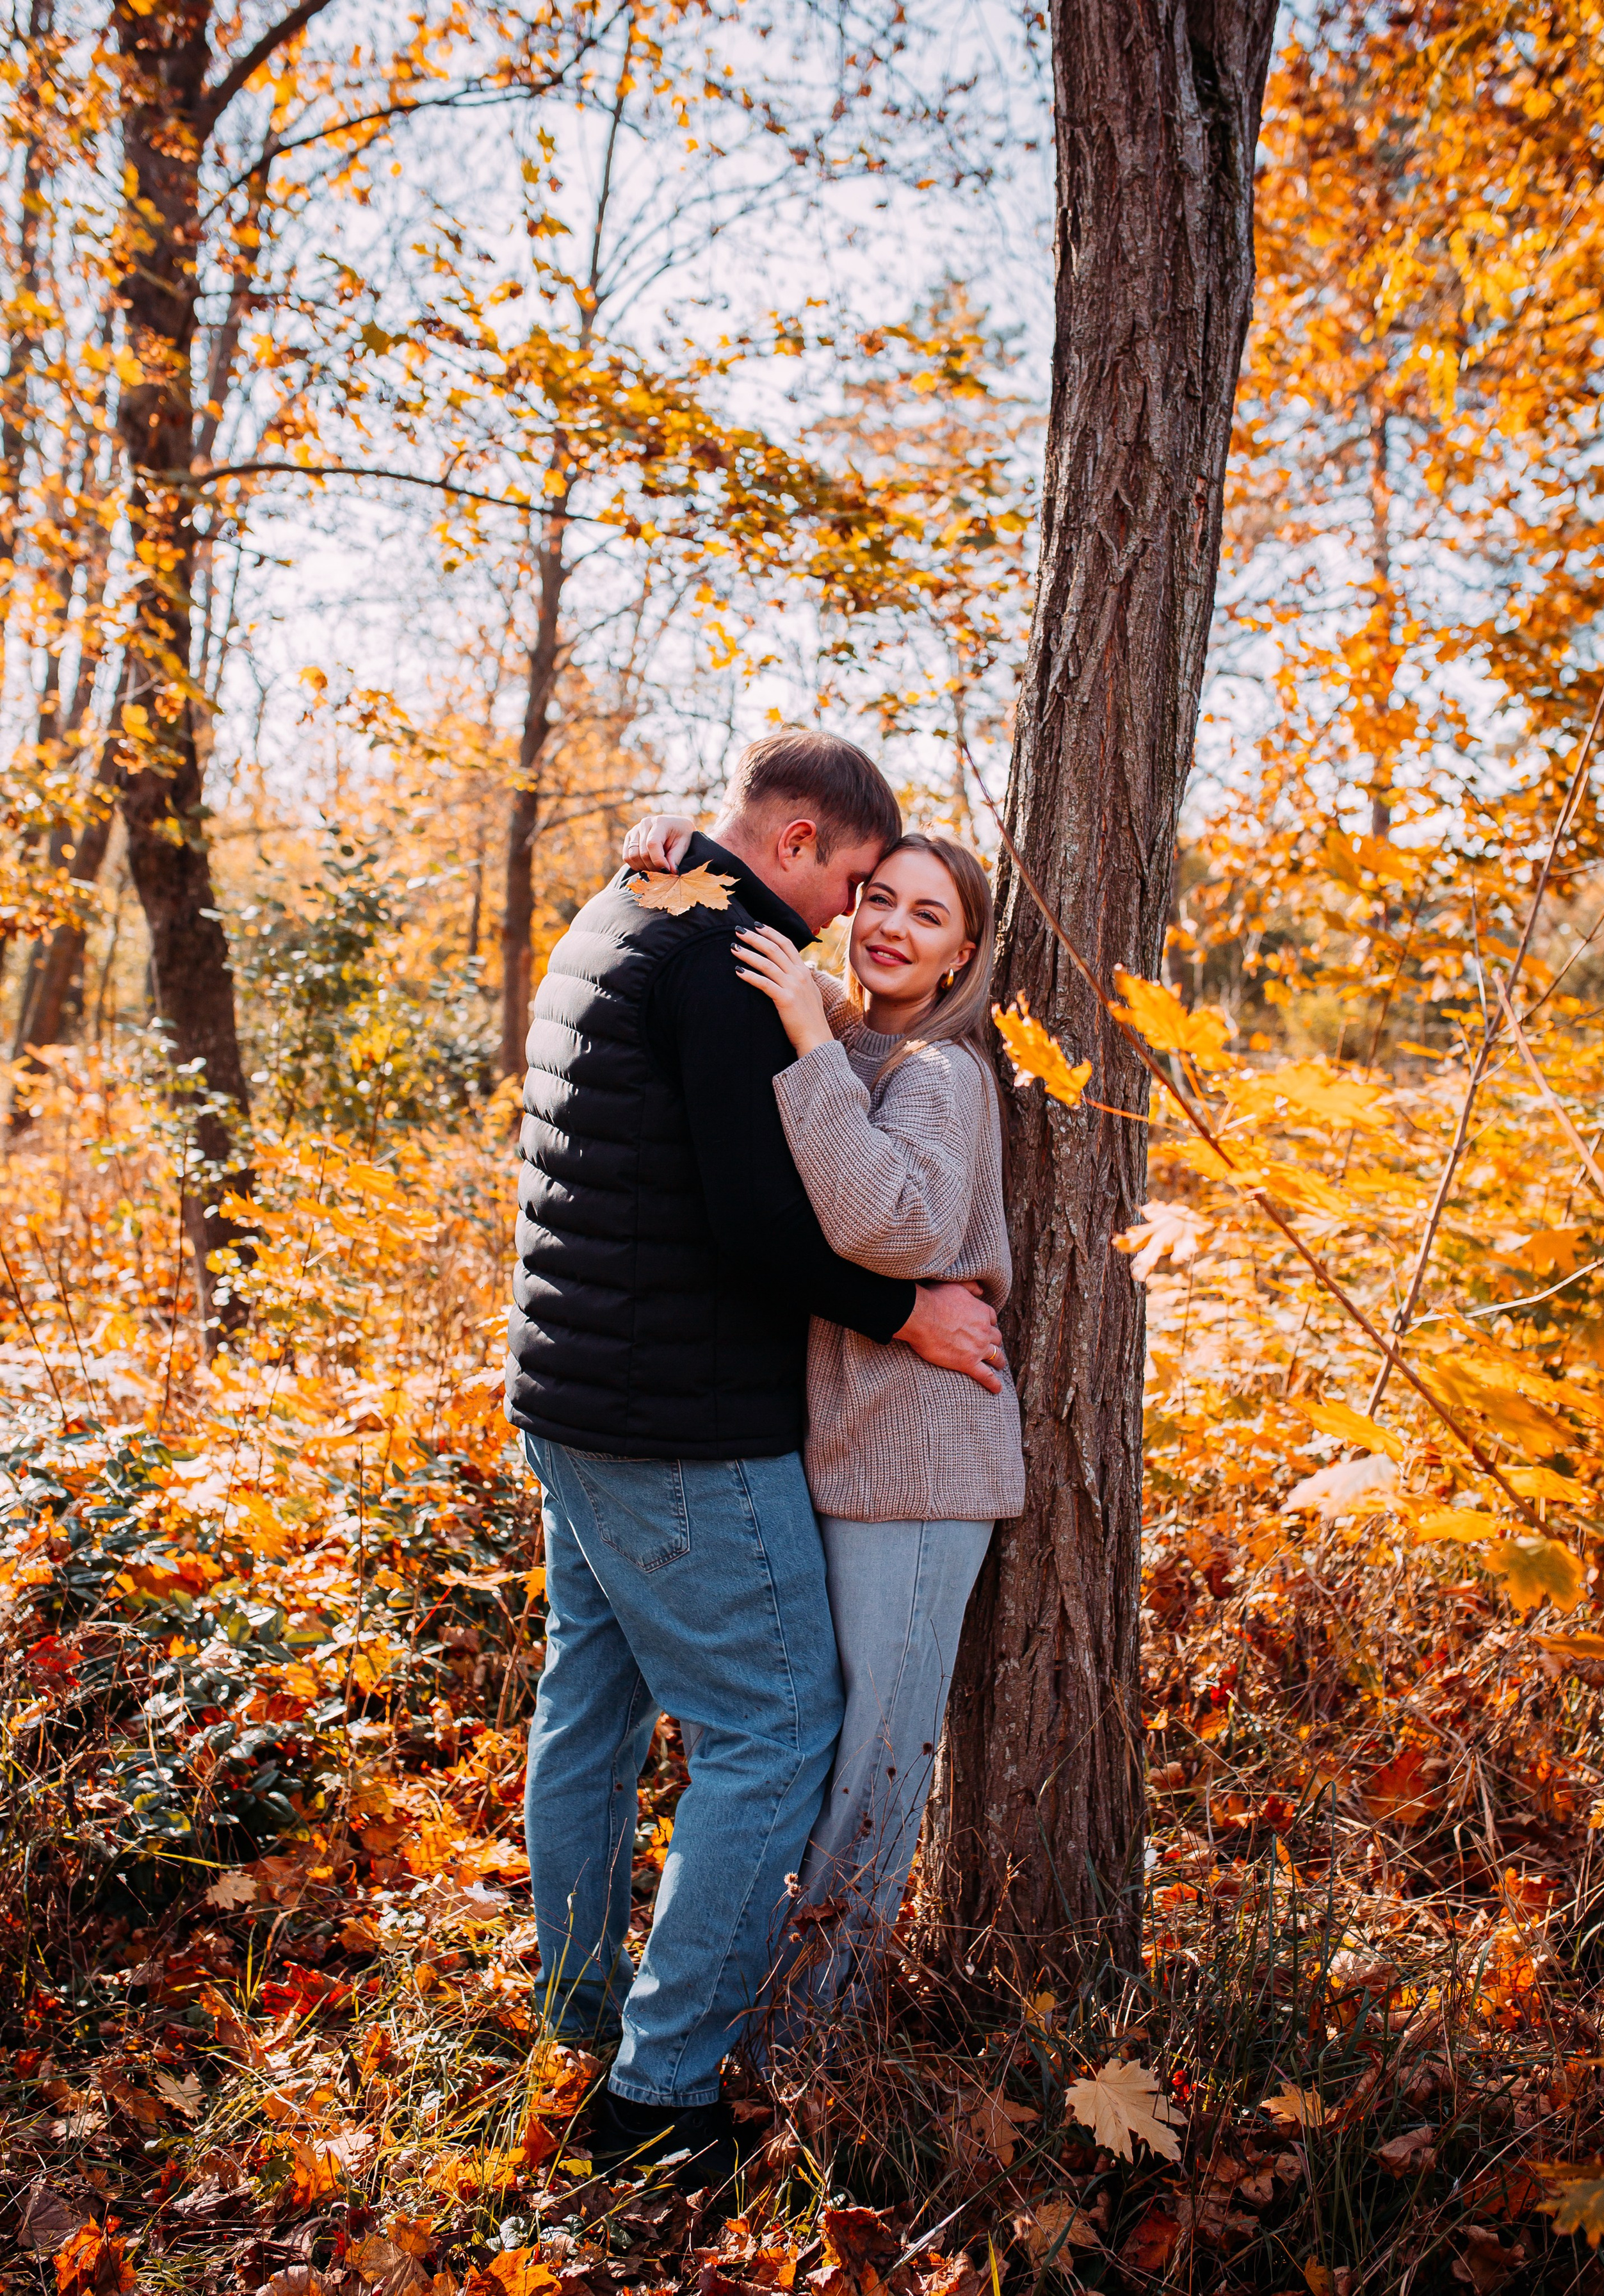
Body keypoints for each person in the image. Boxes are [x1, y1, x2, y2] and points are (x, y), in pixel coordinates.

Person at [506, 728, 1005, 2186]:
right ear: (794, 850)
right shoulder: (727, 954)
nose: (856, 920)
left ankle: (579, 2013)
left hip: (569, 1388)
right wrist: (902, 1313)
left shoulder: (628, 906)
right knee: (776, 1726)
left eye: (903, 906)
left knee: (589, 1708)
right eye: (856, 883)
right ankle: (659, 2094)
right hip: (671, 1417)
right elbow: (751, 1220)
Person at [622, 809, 1025, 2019]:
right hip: (841, 1460)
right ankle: (767, 2011)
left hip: (919, 1474)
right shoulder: (859, 1044)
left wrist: (803, 1026)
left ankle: (810, 2044)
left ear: (962, 956)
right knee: (808, 1747)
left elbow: (893, 1227)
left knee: (871, 1776)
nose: (891, 927)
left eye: (929, 915)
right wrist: (683, 842)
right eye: (881, 899)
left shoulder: (942, 1075)